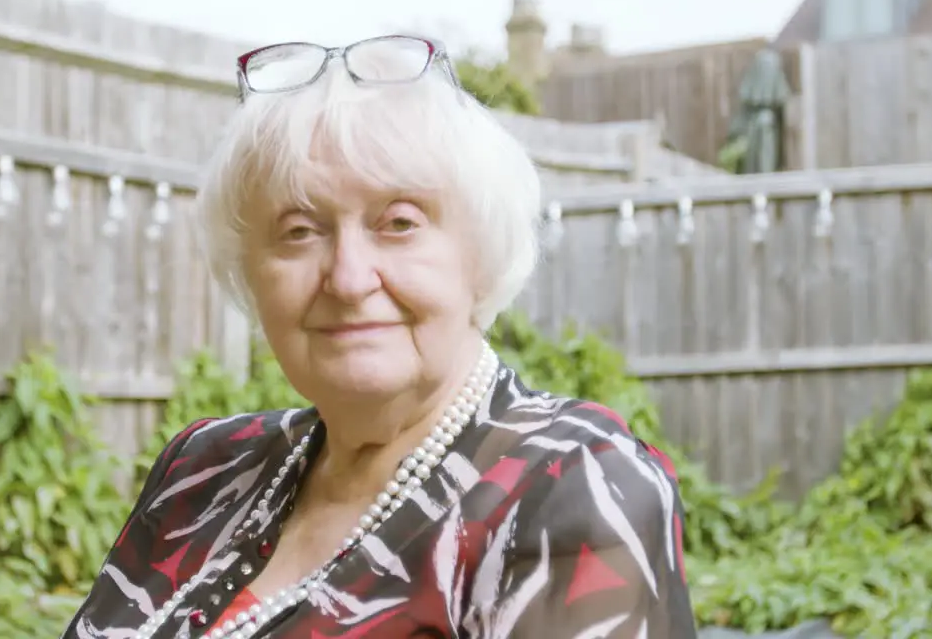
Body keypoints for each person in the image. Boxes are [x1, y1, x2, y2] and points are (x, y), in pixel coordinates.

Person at [62, 34, 695, 639]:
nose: (348, 277)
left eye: (398, 223)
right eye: (299, 231)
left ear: (480, 255)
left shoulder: (573, 484)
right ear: (251, 275)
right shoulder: (202, 468)